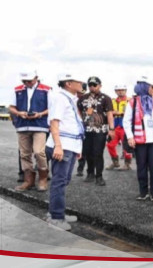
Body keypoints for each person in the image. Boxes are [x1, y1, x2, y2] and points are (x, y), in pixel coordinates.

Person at [45, 73, 85, 231]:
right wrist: (58, 146)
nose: (82, 83)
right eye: (78, 80)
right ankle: (56, 217)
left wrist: (77, 148)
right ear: (69, 83)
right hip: (63, 145)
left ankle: (55, 212)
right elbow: (54, 123)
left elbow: (72, 124)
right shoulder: (60, 98)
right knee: (59, 182)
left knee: (63, 180)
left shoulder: (70, 98)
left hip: (71, 145)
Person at [123, 77, 153, 202]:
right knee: (141, 167)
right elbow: (126, 121)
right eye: (152, 87)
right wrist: (130, 137)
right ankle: (143, 192)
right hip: (140, 141)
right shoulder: (133, 102)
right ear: (144, 87)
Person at [9, 70, 51, 192]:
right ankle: (28, 180)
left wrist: (40, 114)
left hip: (40, 125)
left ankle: (43, 178)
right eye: (24, 81)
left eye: (29, 80)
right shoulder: (17, 89)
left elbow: (52, 108)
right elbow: (11, 107)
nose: (27, 83)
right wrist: (19, 113)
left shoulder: (47, 89)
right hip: (22, 125)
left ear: (36, 77)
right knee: (24, 154)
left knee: (39, 152)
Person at [77, 76, 115, 186]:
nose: (92, 87)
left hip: (100, 130)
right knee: (88, 153)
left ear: (100, 85)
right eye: (90, 85)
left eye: (94, 85)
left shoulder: (106, 98)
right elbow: (79, 111)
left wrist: (111, 129)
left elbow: (109, 114)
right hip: (86, 130)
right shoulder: (83, 98)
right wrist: (81, 122)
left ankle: (99, 176)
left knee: (98, 153)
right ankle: (90, 173)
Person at [106, 84, 133, 170]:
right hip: (115, 127)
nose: (120, 91)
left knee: (126, 146)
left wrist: (119, 113)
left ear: (125, 91)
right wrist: (114, 113)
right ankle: (115, 162)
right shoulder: (112, 101)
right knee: (110, 145)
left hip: (126, 127)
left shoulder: (130, 101)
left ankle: (127, 164)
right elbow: (108, 112)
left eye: (122, 90)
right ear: (115, 91)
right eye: (118, 90)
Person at [75, 83, 88, 177]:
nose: (79, 94)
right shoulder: (72, 98)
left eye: (81, 92)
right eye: (78, 92)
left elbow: (90, 112)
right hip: (73, 126)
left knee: (84, 149)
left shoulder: (88, 100)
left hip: (84, 126)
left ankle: (80, 168)